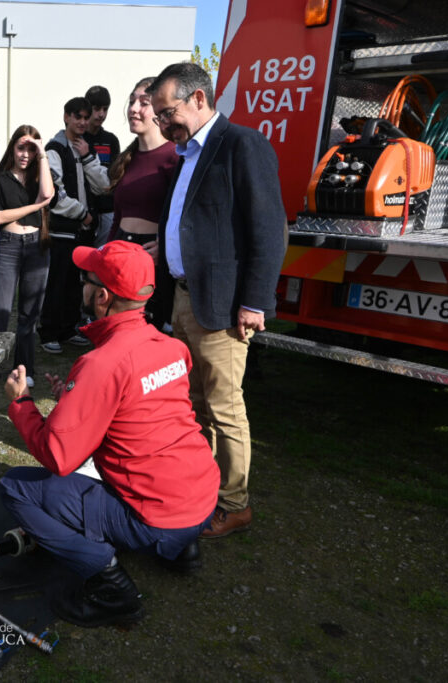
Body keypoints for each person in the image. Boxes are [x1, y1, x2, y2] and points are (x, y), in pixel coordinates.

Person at [0, 240, 219, 628]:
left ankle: (110, 583)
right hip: (202, 498)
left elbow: (58, 456)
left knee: (17, 487)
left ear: (101, 297)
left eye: (86, 280)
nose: (81, 286)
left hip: (158, 515)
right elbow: (141, 416)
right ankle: (183, 550)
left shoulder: (101, 363)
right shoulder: (171, 348)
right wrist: (74, 400)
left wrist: (21, 404)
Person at [147, 62, 287, 538]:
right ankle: (204, 488)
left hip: (224, 306)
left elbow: (269, 232)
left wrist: (255, 302)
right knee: (195, 404)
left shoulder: (242, 145)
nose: (164, 124)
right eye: (159, 115)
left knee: (225, 407)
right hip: (184, 299)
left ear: (200, 99)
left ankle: (234, 503)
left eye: (168, 112)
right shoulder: (185, 155)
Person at [0, 125, 54, 387]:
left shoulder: (39, 177)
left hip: (37, 246)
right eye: (21, 147)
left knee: (29, 313)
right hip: (9, 244)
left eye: (31, 150)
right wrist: (34, 207)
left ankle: (24, 368)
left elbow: (48, 195)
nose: (25, 154)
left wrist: (42, 152)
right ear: (12, 147)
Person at [39, 97, 109, 354]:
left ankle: (68, 329)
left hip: (82, 230)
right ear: (66, 117)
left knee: (74, 283)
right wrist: (83, 215)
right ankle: (48, 332)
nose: (81, 122)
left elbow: (103, 186)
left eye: (85, 117)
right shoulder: (54, 148)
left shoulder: (83, 147)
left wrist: (88, 157)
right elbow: (54, 196)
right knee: (57, 281)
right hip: (62, 229)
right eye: (76, 116)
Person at [108, 76, 179, 330]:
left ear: (159, 110)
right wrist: (108, 252)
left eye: (143, 102)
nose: (133, 109)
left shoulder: (175, 156)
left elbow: (183, 215)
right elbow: (118, 215)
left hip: (154, 260)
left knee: (151, 333)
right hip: (121, 254)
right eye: (131, 101)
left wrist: (166, 248)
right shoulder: (126, 158)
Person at [82, 85, 121, 246]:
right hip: (82, 210)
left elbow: (113, 178)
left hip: (106, 210)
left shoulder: (111, 140)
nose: (101, 114)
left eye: (105, 109)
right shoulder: (76, 137)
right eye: (97, 108)